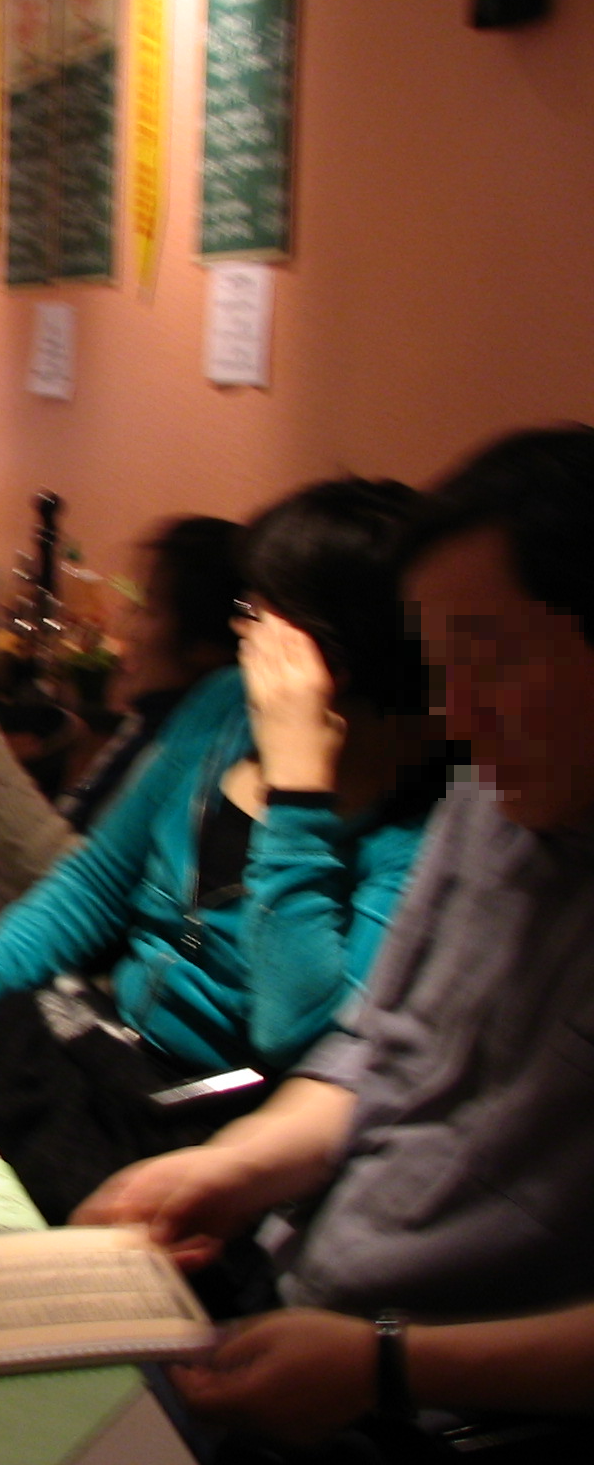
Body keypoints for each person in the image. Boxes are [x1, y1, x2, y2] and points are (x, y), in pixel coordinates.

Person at [74, 427, 594, 1461]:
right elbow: (371, 1050)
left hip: (444, 1407)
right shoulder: (490, 800)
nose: (457, 717)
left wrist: (385, 1366)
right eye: (443, 671)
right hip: (303, 1304)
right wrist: (229, 1170)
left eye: (491, 659)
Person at [0, 480, 447, 1224]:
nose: (245, 631)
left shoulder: (419, 827)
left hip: (196, 1115)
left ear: (329, 654)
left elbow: (292, 1033)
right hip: (91, 1042)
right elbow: (97, 880)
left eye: (258, 612)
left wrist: (297, 792)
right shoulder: (223, 707)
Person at [0, 515, 245, 966]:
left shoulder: (200, 763)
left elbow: (83, 892)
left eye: (148, 609)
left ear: (207, 648)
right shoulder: (155, 723)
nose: (125, 629)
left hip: (11, 959)